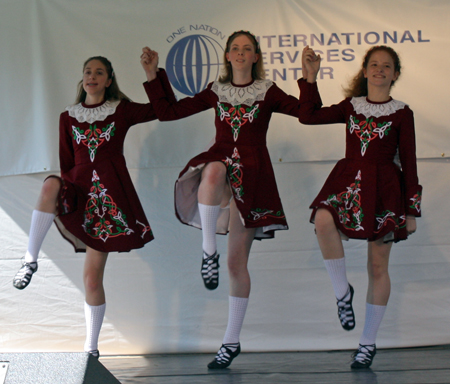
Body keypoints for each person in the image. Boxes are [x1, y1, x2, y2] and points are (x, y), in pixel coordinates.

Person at [140, 30, 300, 368]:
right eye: (235, 48)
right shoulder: (216, 91)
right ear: (227, 56)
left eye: (247, 49)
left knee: (236, 265)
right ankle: (207, 250)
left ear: (256, 56)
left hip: (253, 178)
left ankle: (230, 341)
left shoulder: (267, 92)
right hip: (224, 164)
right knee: (212, 171)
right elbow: (169, 112)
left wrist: (310, 80)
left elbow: (308, 114)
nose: (241, 53)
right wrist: (154, 76)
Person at [13, 55, 175, 357]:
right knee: (50, 184)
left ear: (109, 80)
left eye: (99, 72)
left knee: (91, 278)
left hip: (105, 205)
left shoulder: (121, 111)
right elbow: (66, 163)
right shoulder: (69, 116)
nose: (92, 76)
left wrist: (153, 75)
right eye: (88, 71)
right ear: (82, 78)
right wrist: (67, 199)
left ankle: (91, 349)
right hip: (79, 195)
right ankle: (29, 259)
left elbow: (162, 110)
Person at [298, 45, 422, 369]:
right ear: (364, 71)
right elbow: (308, 116)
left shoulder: (402, 113)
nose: (380, 69)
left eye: (387, 66)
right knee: (323, 218)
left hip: (386, 191)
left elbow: (409, 162)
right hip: (349, 181)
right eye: (374, 64)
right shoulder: (351, 107)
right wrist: (310, 78)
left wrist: (411, 210)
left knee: (378, 267)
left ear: (395, 74)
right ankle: (343, 293)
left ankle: (367, 344)